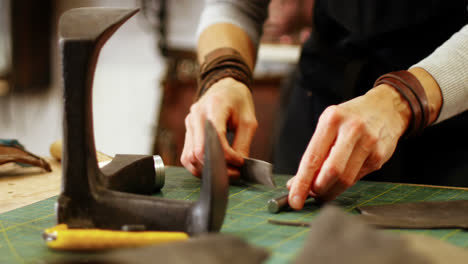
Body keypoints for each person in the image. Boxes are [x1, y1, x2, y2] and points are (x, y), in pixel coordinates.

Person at [181, 0, 468, 210]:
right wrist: (222, 74)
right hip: (319, 112)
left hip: (450, 127)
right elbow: (235, 5)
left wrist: (405, 99)